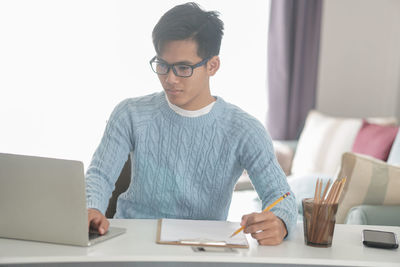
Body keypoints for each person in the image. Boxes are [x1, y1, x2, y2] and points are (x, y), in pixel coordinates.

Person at [86, 2, 297, 246]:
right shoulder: (130, 114)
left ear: (212, 66)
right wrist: (91, 209)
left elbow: (282, 197)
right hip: (130, 247)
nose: (170, 79)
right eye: (163, 65)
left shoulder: (244, 130)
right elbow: (100, 175)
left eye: (183, 68)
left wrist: (280, 221)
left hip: (201, 249)